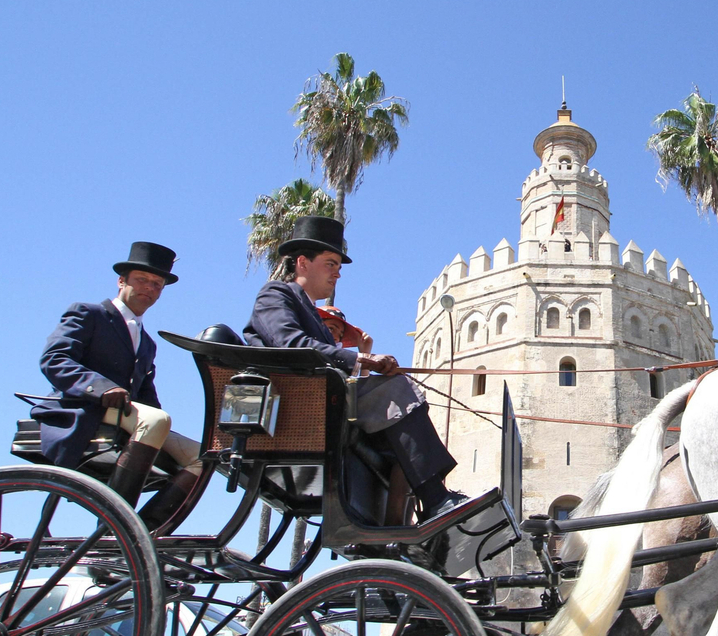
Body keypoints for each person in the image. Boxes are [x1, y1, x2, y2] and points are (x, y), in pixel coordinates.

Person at [244, 216, 476, 522]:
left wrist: (368, 363)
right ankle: (434, 499)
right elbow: (290, 344)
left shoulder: (314, 317)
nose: (337, 274)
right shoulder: (276, 294)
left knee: (402, 428)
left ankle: (399, 527)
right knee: (397, 391)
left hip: (327, 397)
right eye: (330, 264)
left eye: (338, 267)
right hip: (297, 401)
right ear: (303, 262)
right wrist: (362, 360)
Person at [33, 242, 204, 528]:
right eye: (142, 280)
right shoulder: (88, 314)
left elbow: (148, 399)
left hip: (131, 419)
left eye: (157, 284)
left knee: (203, 458)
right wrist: (100, 388)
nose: (150, 288)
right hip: (82, 408)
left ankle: (144, 532)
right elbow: (54, 359)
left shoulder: (147, 343)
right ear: (121, 280)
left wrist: (164, 432)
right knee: (155, 421)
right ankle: (114, 527)